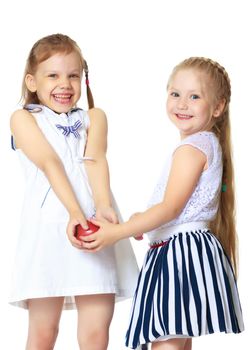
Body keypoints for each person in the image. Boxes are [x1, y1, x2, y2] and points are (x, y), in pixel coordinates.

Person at [82, 57, 244, 349]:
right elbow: (176, 208)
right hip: (181, 250)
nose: (182, 104)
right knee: (177, 340)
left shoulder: (191, 149)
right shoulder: (205, 143)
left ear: (218, 107)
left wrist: (118, 232)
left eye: (195, 96)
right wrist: (145, 219)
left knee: (166, 340)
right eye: (175, 94)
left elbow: (170, 208)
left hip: (178, 255)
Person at [9, 33, 139, 350]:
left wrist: (104, 208)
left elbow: (95, 160)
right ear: (32, 81)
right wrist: (75, 214)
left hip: (95, 229)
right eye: (52, 75)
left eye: (73, 75)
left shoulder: (94, 117)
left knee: (95, 335)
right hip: (48, 232)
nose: (64, 84)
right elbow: (50, 162)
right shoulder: (22, 118)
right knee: (43, 333)